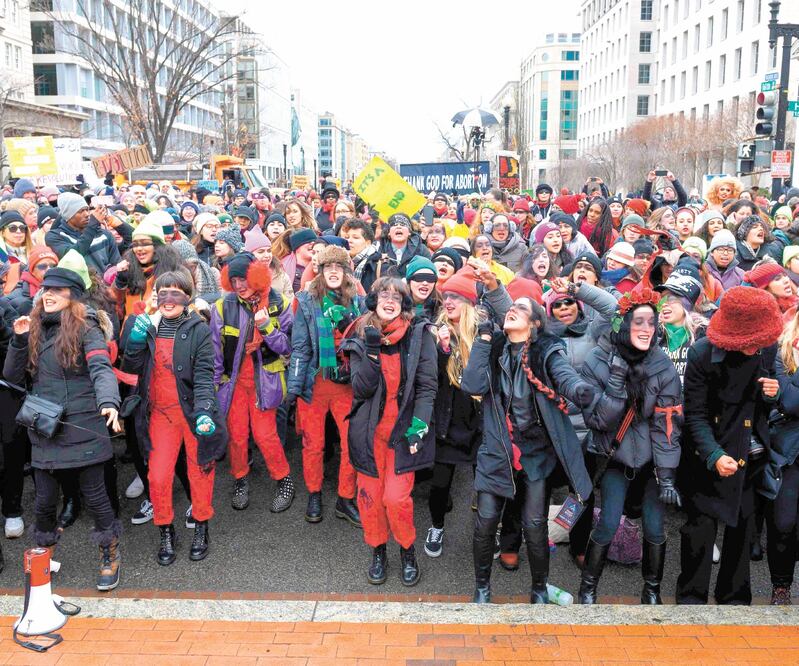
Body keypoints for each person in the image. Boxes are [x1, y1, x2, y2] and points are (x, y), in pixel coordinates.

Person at [461, 294, 595, 604]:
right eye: (510, 307)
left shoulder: (545, 350)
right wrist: (483, 338)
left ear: (535, 323)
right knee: (486, 522)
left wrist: (577, 389)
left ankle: (538, 590)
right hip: (498, 451)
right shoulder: (494, 348)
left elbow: (563, 374)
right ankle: (482, 589)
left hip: (536, 453)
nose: (511, 310)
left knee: (535, 525)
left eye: (521, 308)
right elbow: (472, 385)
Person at [4, 260, 123, 591]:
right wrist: (18, 340)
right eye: (45, 289)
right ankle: (43, 557)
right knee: (43, 501)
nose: (48, 295)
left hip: (84, 422)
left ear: (73, 296)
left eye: (57, 290)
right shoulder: (35, 327)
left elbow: (101, 369)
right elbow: (12, 377)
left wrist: (109, 403)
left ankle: (110, 552)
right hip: (44, 426)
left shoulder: (88, 327)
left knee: (97, 497)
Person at [676, 286, 783, 605]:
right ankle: (691, 600)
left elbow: (766, 403)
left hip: (751, 453)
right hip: (708, 452)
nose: (758, 347)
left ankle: (735, 602)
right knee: (700, 530)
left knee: (743, 529)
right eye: (752, 341)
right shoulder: (702, 353)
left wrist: (772, 394)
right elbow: (694, 414)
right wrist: (713, 454)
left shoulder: (767, 347)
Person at [578, 284, 683, 604]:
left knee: (654, 527)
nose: (646, 329)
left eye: (651, 323)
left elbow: (667, 424)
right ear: (623, 325)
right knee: (608, 522)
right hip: (615, 456)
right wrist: (616, 381)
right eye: (638, 322)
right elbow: (597, 421)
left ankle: (651, 590)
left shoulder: (662, 365)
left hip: (652, 461)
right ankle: (588, 587)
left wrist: (666, 475)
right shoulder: (597, 360)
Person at [122, 269, 226, 565]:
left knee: (200, 472)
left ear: (187, 297)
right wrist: (135, 341)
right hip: (160, 416)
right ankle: (166, 530)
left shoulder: (199, 330)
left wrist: (205, 410)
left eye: (175, 292)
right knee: (157, 476)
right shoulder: (146, 326)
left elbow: (206, 375)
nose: (168, 298)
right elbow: (131, 369)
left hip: (193, 414)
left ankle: (201, 527)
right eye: (162, 291)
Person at [341, 277, 437, 586]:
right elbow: (361, 388)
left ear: (405, 304)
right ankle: (378, 550)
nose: (390, 299)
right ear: (374, 300)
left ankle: (407, 550)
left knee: (396, 500)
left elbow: (427, 388)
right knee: (370, 498)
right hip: (367, 435)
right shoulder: (358, 334)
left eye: (397, 296)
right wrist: (370, 349)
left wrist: (418, 427)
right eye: (384, 293)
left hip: (403, 435)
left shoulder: (419, 336)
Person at [211, 253, 296, 513]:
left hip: (265, 381)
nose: (238, 285)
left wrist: (267, 328)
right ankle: (240, 479)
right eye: (233, 280)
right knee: (236, 437)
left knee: (265, 435)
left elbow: (288, 346)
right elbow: (215, 350)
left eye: (243, 278)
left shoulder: (278, 303)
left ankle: (284, 480)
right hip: (233, 384)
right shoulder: (223, 307)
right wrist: (214, 387)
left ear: (256, 276)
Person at [287, 245, 363, 525]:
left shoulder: (358, 301)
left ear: (346, 272)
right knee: (313, 444)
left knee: (350, 444)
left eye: (339, 267)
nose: (333, 272)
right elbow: (300, 347)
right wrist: (294, 387)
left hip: (347, 385)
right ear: (320, 271)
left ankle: (345, 497)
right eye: (328, 267)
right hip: (315, 383)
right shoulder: (307, 300)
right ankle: (314, 492)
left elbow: (365, 341)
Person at [423, 270, 482, 558]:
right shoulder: (434, 331)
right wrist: (443, 349)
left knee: (484, 486)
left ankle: (487, 531)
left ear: (469, 302)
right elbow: (428, 378)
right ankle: (436, 526)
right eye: (446, 296)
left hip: (478, 424)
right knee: (439, 485)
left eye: (456, 297)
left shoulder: (484, 333)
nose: (448, 301)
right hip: (446, 423)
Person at [768, 312, 799, 604]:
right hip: (787, 451)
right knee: (783, 522)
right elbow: (789, 402)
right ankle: (781, 585)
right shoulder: (782, 352)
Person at [114, 215, 183, 324]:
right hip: (129, 334)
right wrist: (120, 283)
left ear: (157, 246)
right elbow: (117, 309)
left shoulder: (174, 271)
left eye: (145, 244)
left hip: (159, 333)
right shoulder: (128, 270)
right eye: (135, 245)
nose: (139, 249)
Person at [47, 192, 121, 274]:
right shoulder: (55, 236)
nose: (87, 214)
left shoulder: (104, 234)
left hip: (106, 285)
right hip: (78, 286)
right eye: (81, 211)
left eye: (87, 209)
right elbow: (73, 256)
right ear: (68, 216)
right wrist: (93, 225)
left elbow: (117, 266)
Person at [7, 246, 58, 315]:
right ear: (32, 271)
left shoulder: (67, 291)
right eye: (42, 266)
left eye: (53, 266)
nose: (49, 269)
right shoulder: (14, 301)